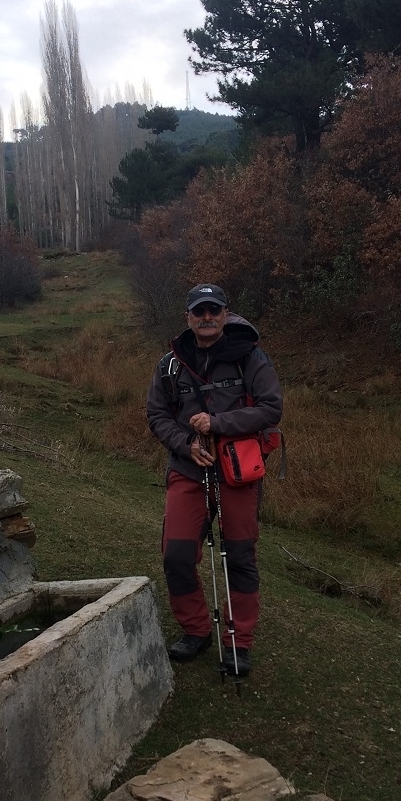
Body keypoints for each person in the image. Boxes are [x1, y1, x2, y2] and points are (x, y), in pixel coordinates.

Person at [146, 283, 283, 676]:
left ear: (225, 314)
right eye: (199, 311)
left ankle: (239, 642)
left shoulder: (250, 356)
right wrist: (186, 443)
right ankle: (196, 630)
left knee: (239, 557)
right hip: (188, 469)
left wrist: (218, 423)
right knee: (176, 555)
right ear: (188, 317)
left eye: (213, 310)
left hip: (237, 472)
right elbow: (157, 415)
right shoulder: (169, 364)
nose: (206, 317)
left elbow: (271, 408)